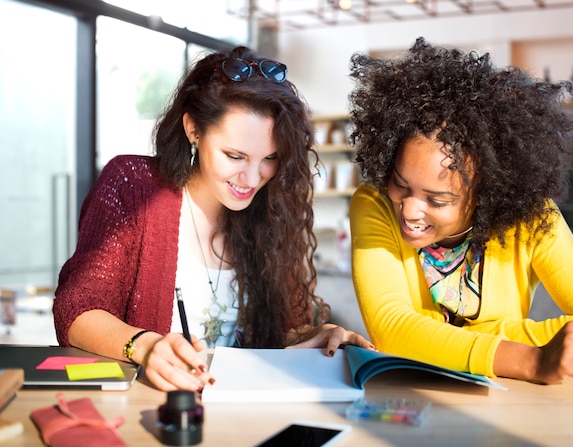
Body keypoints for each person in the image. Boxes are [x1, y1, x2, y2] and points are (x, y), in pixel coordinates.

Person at [54, 46, 373, 392]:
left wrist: (315, 336)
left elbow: (286, 329)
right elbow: (78, 309)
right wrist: (146, 347)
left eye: (270, 158)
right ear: (193, 129)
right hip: (157, 411)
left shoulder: (272, 208)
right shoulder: (134, 186)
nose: (252, 179)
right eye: (235, 156)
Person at [347, 37, 573, 385]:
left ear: (486, 194)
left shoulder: (533, 219)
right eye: (401, 184)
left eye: (437, 200)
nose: (410, 210)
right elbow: (393, 332)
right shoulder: (374, 204)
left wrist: (436, 337)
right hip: (415, 400)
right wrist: (529, 360)